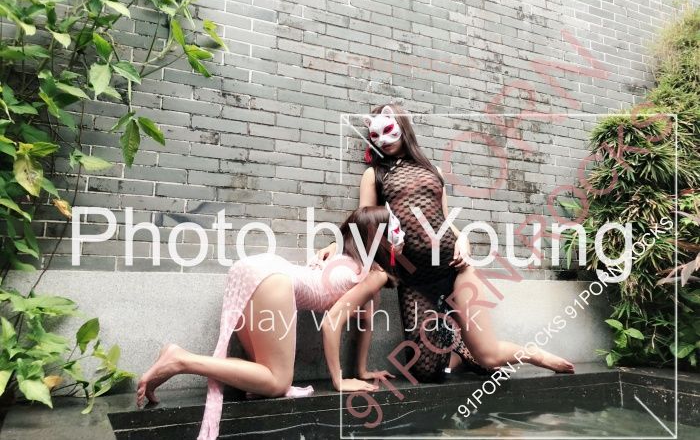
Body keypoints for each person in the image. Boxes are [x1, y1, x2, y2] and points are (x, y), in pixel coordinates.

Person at [317, 104, 575, 382]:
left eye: (389, 130)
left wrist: (462, 238)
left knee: (488, 356)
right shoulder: (375, 174)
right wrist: (337, 245)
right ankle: (460, 351)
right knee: (425, 372)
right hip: (414, 281)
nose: (383, 140)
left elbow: (444, 219)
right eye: (375, 135)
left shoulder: (433, 170)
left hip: (454, 269)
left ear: (403, 127)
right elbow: (363, 222)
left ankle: (534, 354)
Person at [135, 206, 403, 440]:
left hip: (254, 269)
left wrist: (362, 370)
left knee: (261, 378)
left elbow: (365, 321)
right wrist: (339, 380)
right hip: (274, 280)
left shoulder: (344, 258)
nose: (401, 238)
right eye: (395, 232)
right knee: (277, 383)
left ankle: (179, 359)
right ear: (378, 239)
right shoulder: (372, 274)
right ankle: (181, 360)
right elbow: (332, 322)